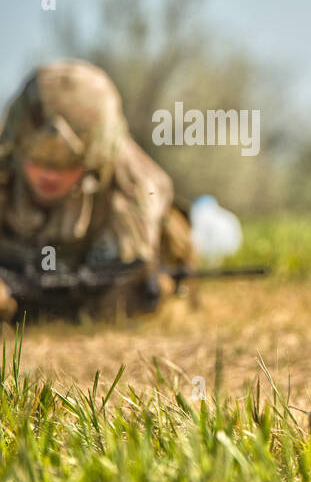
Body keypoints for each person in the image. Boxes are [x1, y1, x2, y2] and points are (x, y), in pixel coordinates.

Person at [0, 59, 196, 322]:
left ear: (96, 160)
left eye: (66, 166)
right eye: (37, 161)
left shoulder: (134, 185)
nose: (49, 175)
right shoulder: (6, 161)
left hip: (94, 283)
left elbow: (134, 277)